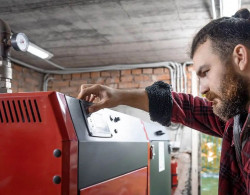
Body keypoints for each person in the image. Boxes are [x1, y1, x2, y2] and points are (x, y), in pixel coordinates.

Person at [77, 8, 250, 195]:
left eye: (205, 72)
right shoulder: (238, 119)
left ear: (240, 57)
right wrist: (120, 96)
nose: (202, 89)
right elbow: (191, 109)